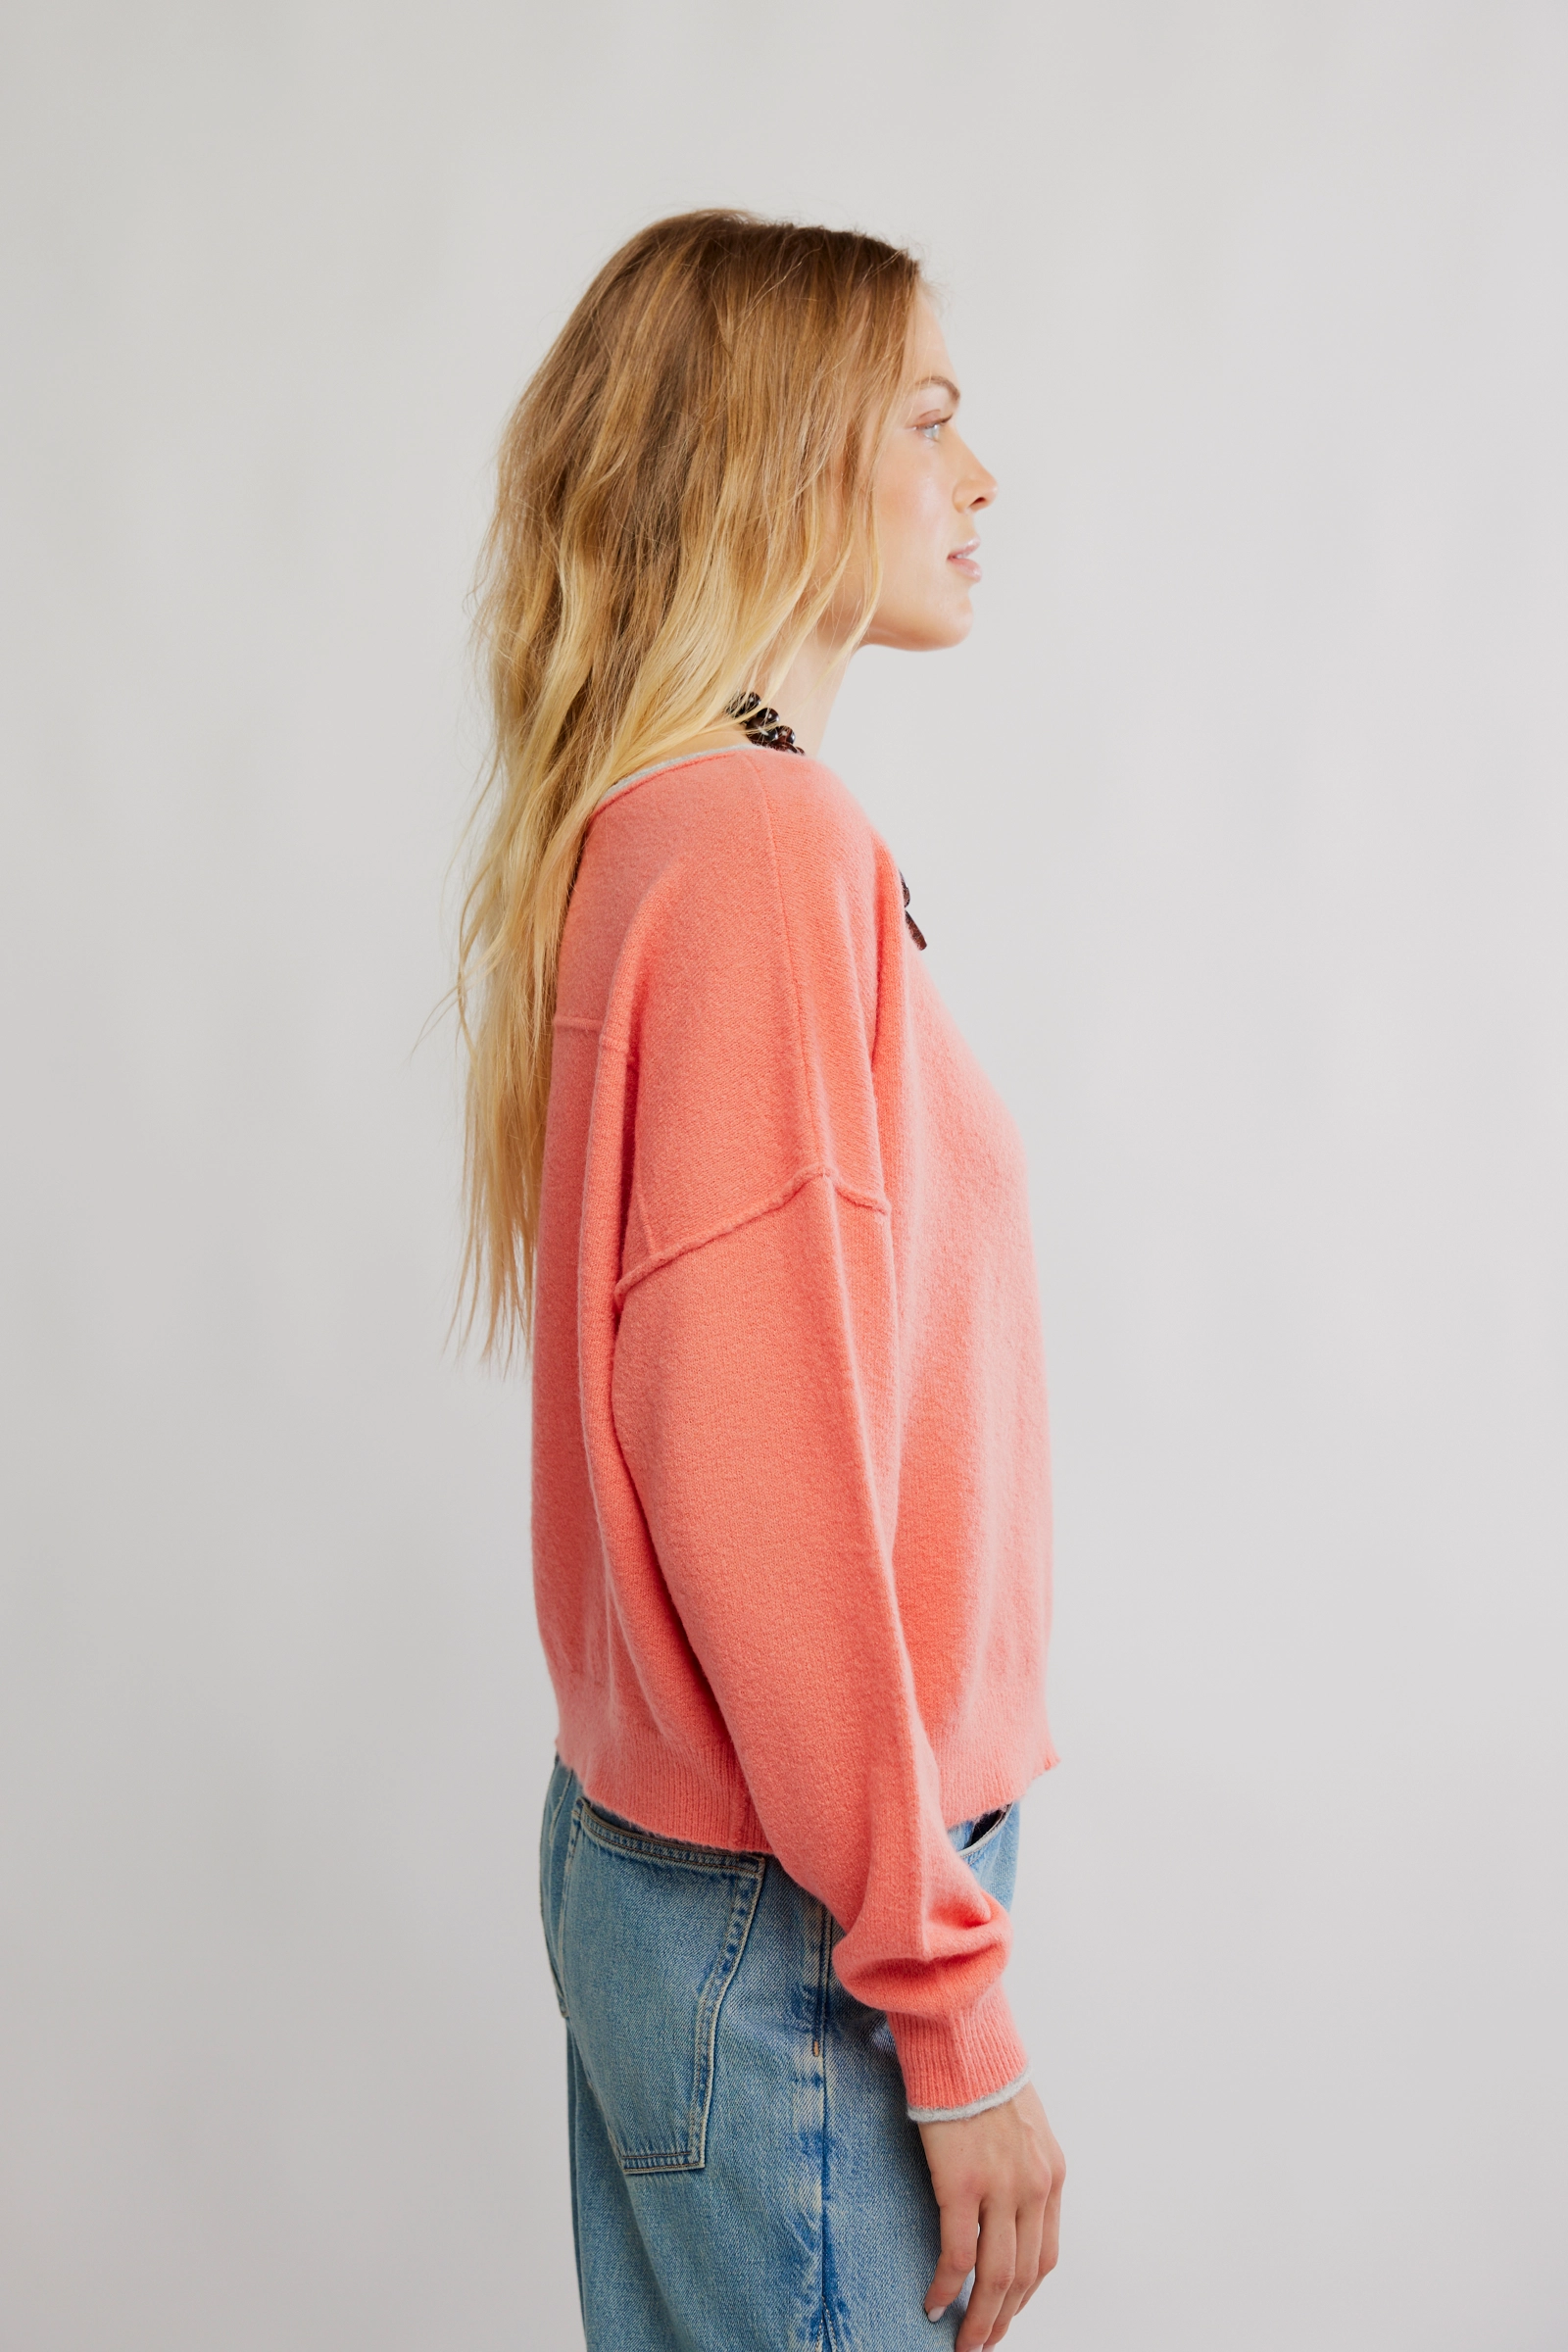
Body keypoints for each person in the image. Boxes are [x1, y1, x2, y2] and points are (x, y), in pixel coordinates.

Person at [455, 210, 1065, 2352]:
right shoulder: (758, 850)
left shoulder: (673, 822)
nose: (977, 477)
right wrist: (948, 2007)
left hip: (720, 1878)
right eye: (927, 418)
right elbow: (758, 1482)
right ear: (776, 456)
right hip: (796, 1911)